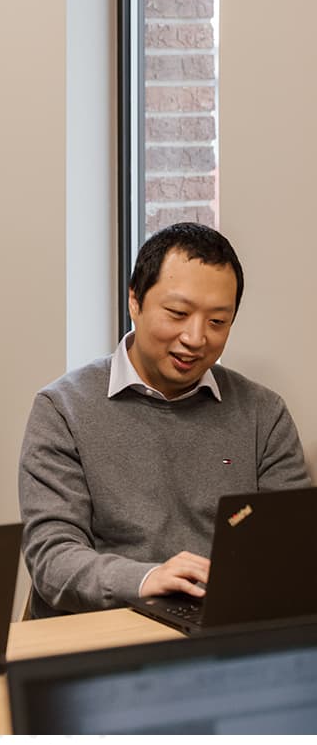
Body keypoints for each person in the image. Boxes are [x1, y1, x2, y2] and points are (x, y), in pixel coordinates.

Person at [19, 222, 312, 618]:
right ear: (135, 301)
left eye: (217, 322)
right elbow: (53, 561)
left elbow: (291, 548)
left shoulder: (263, 414)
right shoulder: (63, 409)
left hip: (218, 629)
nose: (195, 337)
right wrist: (146, 579)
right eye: (177, 313)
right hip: (103, 632)